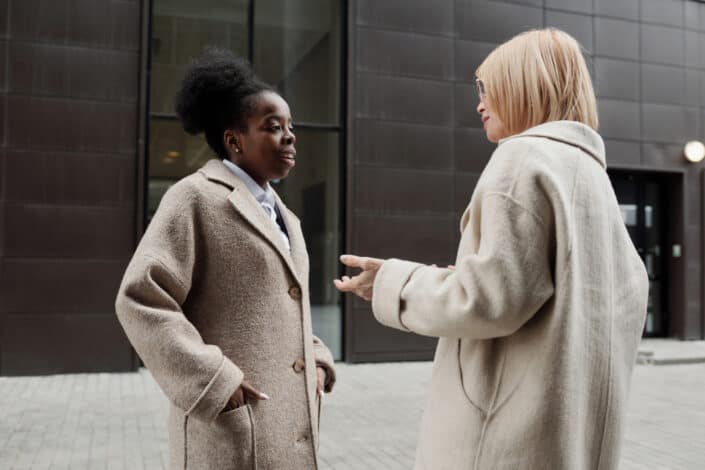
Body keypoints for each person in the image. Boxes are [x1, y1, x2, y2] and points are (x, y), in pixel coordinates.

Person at [335, 28, 648, 469]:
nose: (479, 104)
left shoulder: (521, 160)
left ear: (524, 87)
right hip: (568, 440)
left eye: (488, 90)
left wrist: (393, 283)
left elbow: (486, 301)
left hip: (502, 442)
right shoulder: (591, 177)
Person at [115, 48, 335, 470]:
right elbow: (140, 298)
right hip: (232, 427)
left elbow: (283, 304)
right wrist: (211, 379)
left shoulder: (285, 217)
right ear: (234, 140)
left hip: (288, 424)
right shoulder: (194, 198)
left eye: (291, 126)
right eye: (273, 127)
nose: (289, 136)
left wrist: (319, 358)